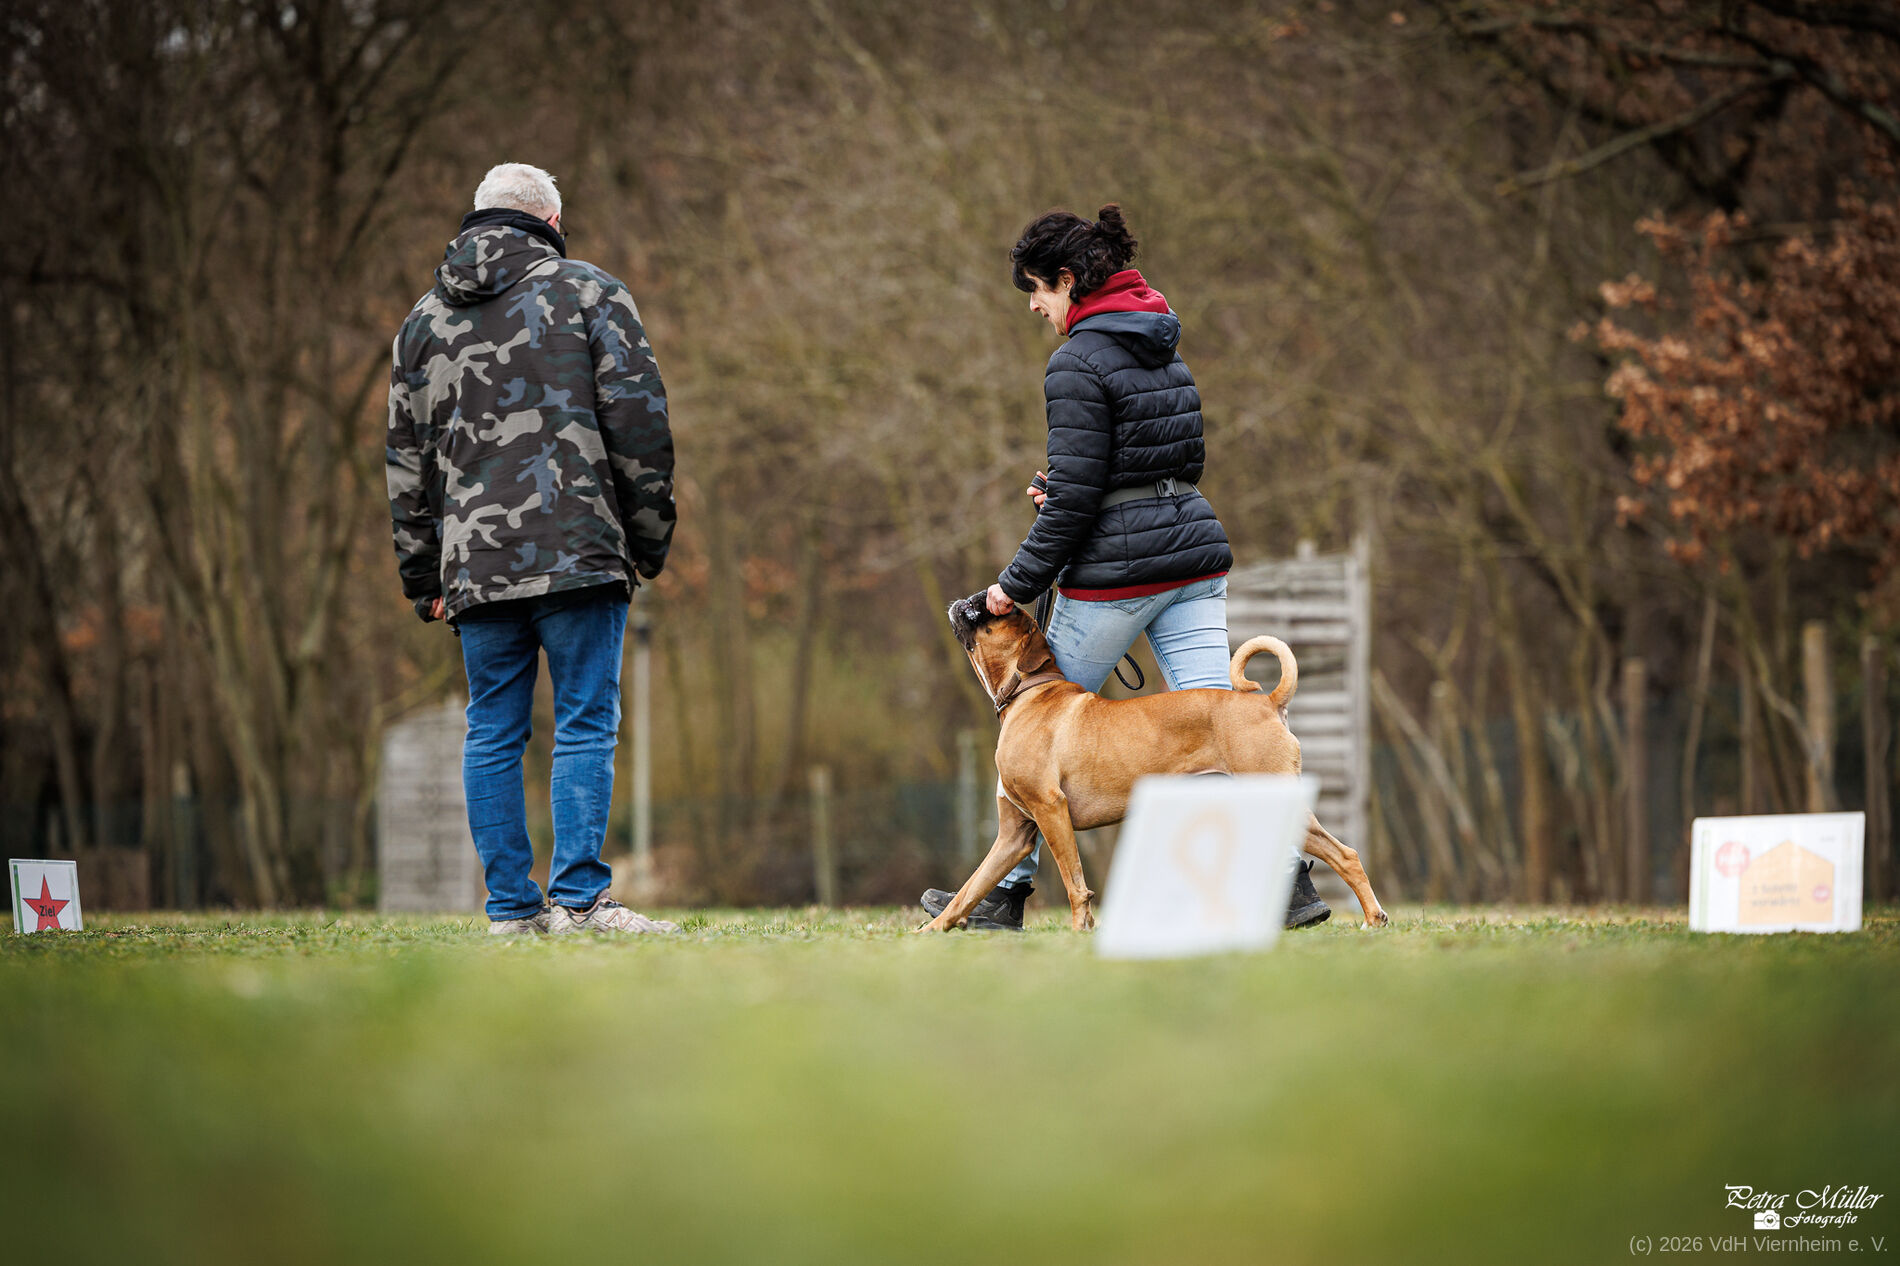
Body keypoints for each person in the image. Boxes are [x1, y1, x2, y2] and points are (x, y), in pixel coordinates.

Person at [920, 204, 1330, 931]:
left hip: (1118, 576)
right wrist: (1073, 491)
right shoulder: (1162, 342)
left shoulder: (1075, 361)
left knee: (1031, 726)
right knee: (1218, 731)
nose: (1036, 308)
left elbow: (1079, 502)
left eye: (1037, 292)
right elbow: (1173, 462)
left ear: (1067, 280)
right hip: (1193, 557)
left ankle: (1004, 892)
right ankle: (1287, 882)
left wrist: (1014, 587)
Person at [386, 162, 678, 937]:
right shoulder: (589, 292)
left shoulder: (420, 324)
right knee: (584, 722)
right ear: (549, 222)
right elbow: (640, 423)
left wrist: (424, 577)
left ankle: (513, 913)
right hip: (580, 547)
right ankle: (581, 903)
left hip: (473, 565)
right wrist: (647, 542)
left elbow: (406, 464)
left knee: (492, 730)